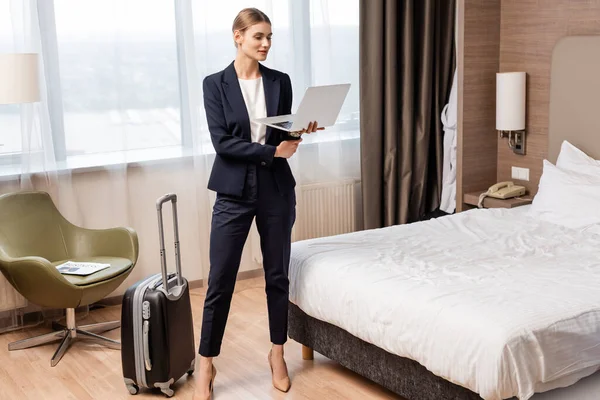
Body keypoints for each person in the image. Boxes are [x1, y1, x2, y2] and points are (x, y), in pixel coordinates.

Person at [193, 7, 321, 400]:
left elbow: (282, 136)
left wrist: (302, 130)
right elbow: (223, 144)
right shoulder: (215, 84)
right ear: (238, 36)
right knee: (220, 282)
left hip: (276, 190)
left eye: (269, 37)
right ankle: (206, 363)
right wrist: (272, 152)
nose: (266, 44)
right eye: (258, 37)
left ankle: (277, 354)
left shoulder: (280, 81)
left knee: (277, 276)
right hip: (233, 192)